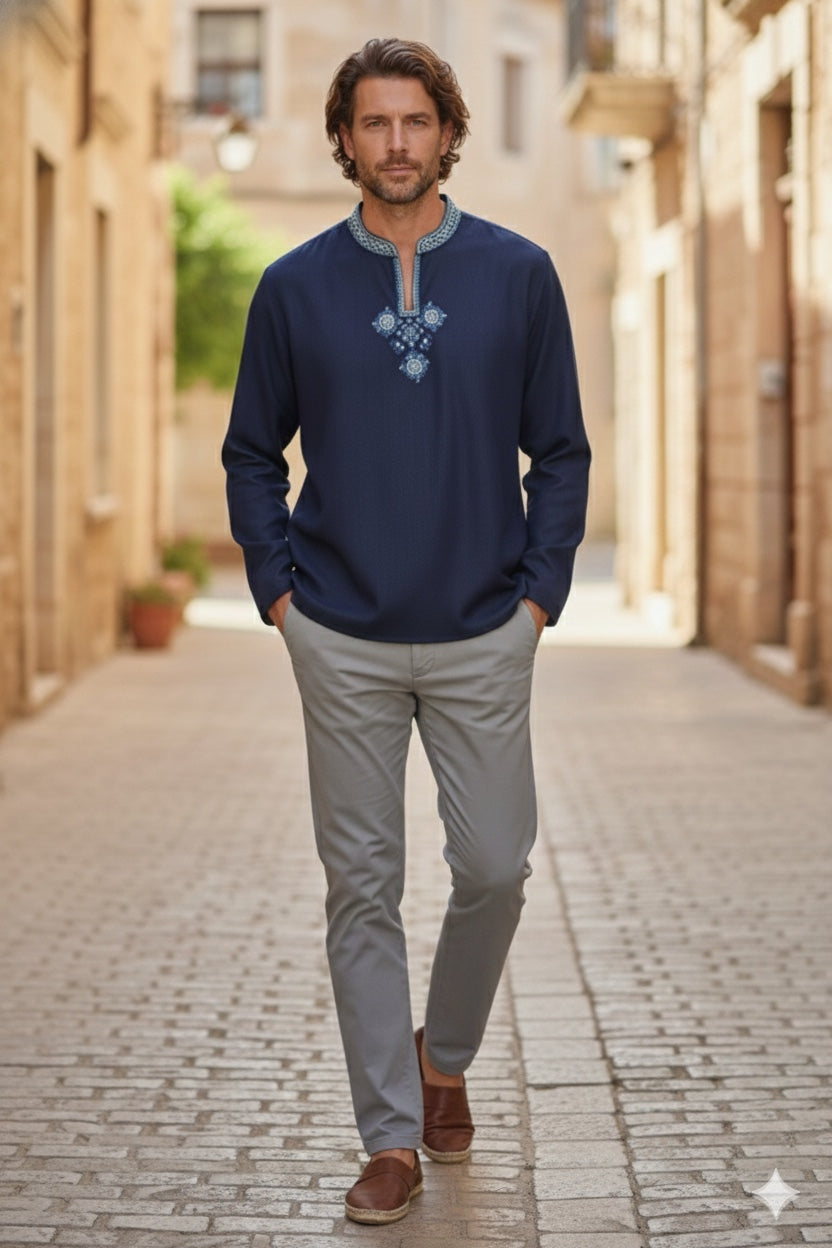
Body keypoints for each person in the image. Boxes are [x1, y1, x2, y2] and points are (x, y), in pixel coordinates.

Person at [222, 36, 590, 1225]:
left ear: (446, 133)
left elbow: (562, 452)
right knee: (361, 887)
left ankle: (446, 1057)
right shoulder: (291, 288)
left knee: (493, 869)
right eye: (372, 124)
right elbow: (249, 454)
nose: (394, 144)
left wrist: (539, 595)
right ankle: (389, 1136)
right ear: (342, 139)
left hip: (487, 625)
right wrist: (281, 595)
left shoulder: (520, 273)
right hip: (341, 632)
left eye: (414, 123)